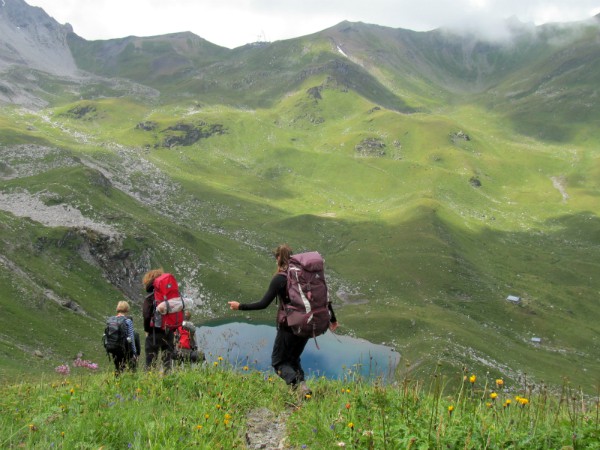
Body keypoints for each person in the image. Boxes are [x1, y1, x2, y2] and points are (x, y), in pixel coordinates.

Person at [228, 244, 338, 397]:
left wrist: (240, 306)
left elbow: (263, 303)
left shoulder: (280, 278)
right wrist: (332, 319)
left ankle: (298, 386)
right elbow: (324, 298)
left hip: (289, 326)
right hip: (307, 323)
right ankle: (303, 391)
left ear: (278, 258)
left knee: (278, 362)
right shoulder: (304, 276)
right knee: (293, 359)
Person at [142, 268, 175, 372]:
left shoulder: (149, 298)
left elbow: (147, 316)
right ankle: (167, 383)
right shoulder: (169, 298)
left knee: (150, 364)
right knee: (167, 363)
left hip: (154, 334)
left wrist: (147, 330)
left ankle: (150, 384)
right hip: (168, 332)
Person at [111, 301, 139, 374]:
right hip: (125, 348)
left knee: (117, 368)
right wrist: (134, 353)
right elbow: (131, 337)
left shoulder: (112, 319)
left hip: (114, 348)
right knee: (128, 368)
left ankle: (117, 383)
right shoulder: (128, 321)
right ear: (127, 309)